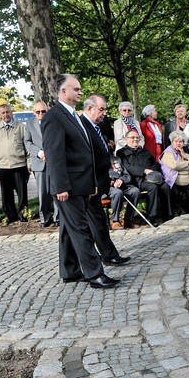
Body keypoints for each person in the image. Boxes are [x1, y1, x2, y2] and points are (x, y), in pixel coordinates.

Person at [42, 73, 119, 289]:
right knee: (80, 229)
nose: (80, 92)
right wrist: (60, 186)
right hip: (68, 186)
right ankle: (94, 273)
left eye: (79, 89)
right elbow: (55, 154)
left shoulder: (73, 116)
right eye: (75, 89)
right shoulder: (53, 117)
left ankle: (70, 270)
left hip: (81, 183)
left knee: (69, 228)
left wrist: (91, 181)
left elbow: (84, 150)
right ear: (63, 91)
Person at [80, 95, 131, 266]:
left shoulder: (98, 125)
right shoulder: (83, 126)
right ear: (89, 108)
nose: (104, 113)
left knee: (99, 220)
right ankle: (104, 256)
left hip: (101, 180)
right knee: (96, 221)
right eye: (101, 109)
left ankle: (108, 254)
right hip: (90, 182)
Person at [116, 129, 171, 226]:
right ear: (126, 139)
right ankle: (152, 217)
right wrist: (144, 171)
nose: (135, 139)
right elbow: (127, 168)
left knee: (165, 186)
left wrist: (153, 172)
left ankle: (167, 214)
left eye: (137, 137)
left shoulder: (145, 151)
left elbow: (155, 164)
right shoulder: (121, 152)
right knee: (152, 187)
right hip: (135, 181)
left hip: (150, 178)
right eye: (132, 137)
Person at [0, 104, 30, 223]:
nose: (6, 115)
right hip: (3, 166)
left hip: (19, 164)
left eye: (7, 112)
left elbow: (26, 146)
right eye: (3, 113)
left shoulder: (21, 127)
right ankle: (10, 215)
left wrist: (29, 163)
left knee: (22, 192)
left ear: (11, 113)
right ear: (0, 115)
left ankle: (23, 214)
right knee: (6, 193)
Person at [24, 101, 59, 226]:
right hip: (39, 163)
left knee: (56, 190)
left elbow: (58, 139)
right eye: (38, 112)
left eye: (43, 111)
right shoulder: (29, 124)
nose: (40, 114)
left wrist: (51, 152)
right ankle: (44, 217)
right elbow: (27, 142)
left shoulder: (54, 122)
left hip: (54, 161)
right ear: (34, 112)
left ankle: (57, 217)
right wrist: (39, 153)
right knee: (43, 192)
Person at [160, 130, 189, 214]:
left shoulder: (185, 151)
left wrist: (186, 155)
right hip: (173, 182)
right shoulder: (168, 152)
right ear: (172, 142)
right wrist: (188, 162)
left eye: (181, 141)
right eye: (176, 141)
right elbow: (175, 166)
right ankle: (176, 211)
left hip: (188, 182)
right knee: (173, 193)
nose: (178, 143)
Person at [107, 154, 140, 230]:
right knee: (117, 193)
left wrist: (121, 180)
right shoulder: (97, 159)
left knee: (135, 191)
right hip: (107, 187)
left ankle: (128, 220)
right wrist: (110, 181)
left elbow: (127, 175)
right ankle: (115, 220)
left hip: (121, 185)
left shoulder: (116, 159)